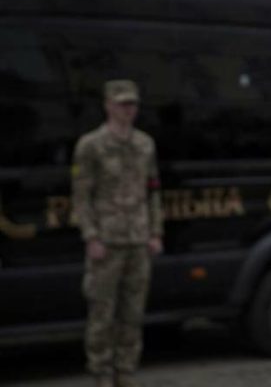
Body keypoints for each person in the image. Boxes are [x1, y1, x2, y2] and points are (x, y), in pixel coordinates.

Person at [72, 79, 163, 387]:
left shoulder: (144, 144)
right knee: (102, 312)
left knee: (133, 312)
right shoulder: (91, 146)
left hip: (137, 238)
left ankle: (125, 371)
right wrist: (91, 236)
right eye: (123, 104)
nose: (129, 110)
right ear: (108, 105)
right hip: (108, 241)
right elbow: (82, 196)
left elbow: (153, 191)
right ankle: (101, 373)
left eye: (133, 104)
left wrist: (155, 232)